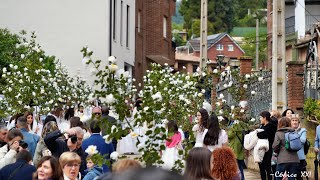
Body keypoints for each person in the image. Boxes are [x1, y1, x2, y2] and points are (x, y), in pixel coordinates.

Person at [256, 111, 277, 180]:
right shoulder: (262, 126)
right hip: (261, 150)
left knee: (268, 168)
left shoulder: (271, 127)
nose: (260, 119)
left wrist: (257, 134)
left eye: (261, 118)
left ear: (265, 118)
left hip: (268, 150)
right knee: (261, 168)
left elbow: (263, 135)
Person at [290, 114, 307, 180]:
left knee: (299, 177)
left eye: (296, 120)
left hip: (300, 158)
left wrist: (296, 132)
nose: (294, 122)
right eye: (293, 120)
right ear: (290, 122)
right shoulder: (288, 131)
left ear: (298, 122)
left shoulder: (303, 130)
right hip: (290, 157)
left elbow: (303, 141)